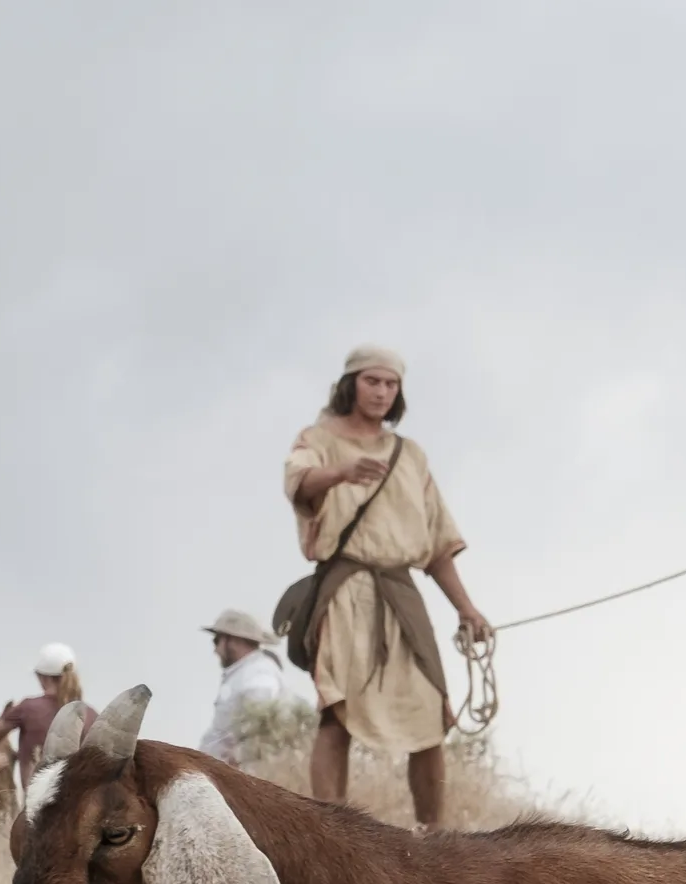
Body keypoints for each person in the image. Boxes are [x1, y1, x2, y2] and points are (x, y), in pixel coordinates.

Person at [283, 344, 491, 829]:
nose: (381, 392)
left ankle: (434, 837)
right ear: (351, 383)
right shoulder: (318, 437)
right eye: (371, 381)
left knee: (431, 715)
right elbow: (299, 482)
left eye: (390, 384)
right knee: (339, 712)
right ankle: (331, 830)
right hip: (346, 589)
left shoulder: (410, 455)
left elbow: (436, 544)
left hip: (401, 594)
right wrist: (341, 472)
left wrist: (467, 609)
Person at [197, 605, 314, 765]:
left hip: (242, 774)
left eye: (217, 640)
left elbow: (259, 731)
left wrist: (235, 761)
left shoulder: (257, 675)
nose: (216, 650)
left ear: (234, 640)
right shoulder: (246, 673)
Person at [0, 642, 86, 792]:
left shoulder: (27, 708)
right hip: (78, 807)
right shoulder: (90, 715)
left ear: (43, 678)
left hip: (37, 809)